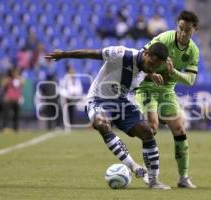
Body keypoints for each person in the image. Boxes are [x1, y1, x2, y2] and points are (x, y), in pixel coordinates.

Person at [45, 42, 171, 189]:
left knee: (147, 132)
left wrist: (152, 73)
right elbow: (91, 53)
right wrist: (64, 55)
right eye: (151, 63)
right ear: (146, 53)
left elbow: (145, 68)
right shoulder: (121, 53)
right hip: (98, 99)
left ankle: (153, 181)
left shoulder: (148, 67)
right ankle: (133, 166)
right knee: (102, 124)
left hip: (121, 101)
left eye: (156, 66)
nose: (152, 67)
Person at [135, 10, 199, 188]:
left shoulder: (193, 51)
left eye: (187, 30)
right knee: (152, 126)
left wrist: (173, 72)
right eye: (180, 28)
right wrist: (152, 72)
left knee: (179, 129)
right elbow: (140, 58)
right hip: (147, 86)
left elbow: (190, 80)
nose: (182, 33)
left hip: (167, 91)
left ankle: (183, 178)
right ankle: (150, 175)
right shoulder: (163, 38)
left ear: (195, 30)